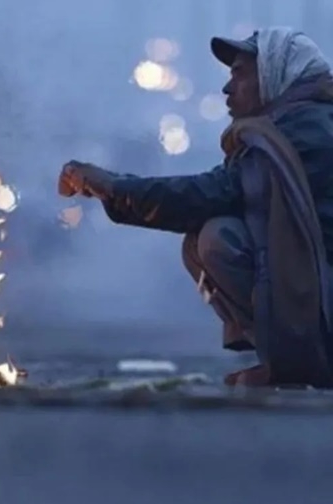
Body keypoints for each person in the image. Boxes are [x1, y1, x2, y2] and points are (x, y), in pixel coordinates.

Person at [59, 27, 333, 388]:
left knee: (218, 238)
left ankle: (299, 365)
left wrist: (114, 187)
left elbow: (213, 192)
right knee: (210, 236)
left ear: (274, 74)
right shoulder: (290, 125)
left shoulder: (306, 130)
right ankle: (292, 359)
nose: (227, 87)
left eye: (239, 73)